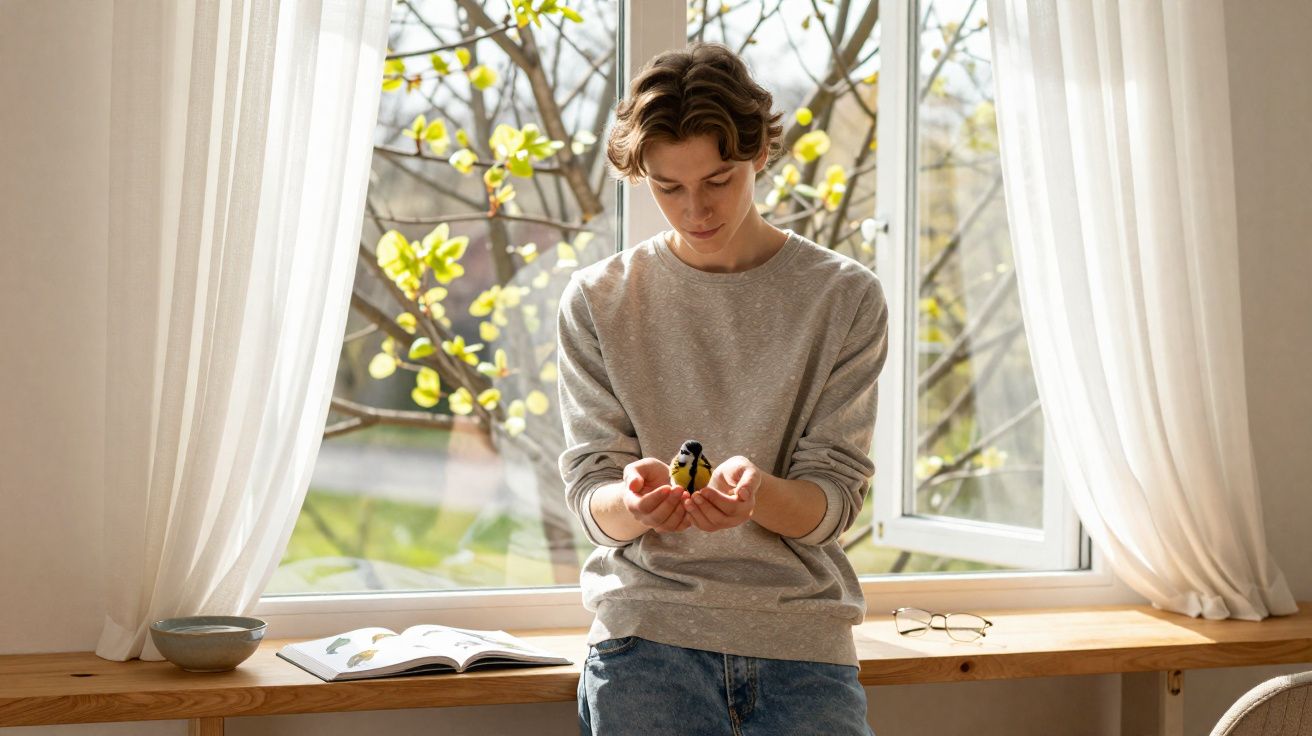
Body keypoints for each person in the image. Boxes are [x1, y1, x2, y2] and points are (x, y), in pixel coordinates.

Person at [556, 41, 888, 736]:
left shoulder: (844, 298)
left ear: (760, 155)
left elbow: (834, 502)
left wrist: (758, 494)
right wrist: (637, 501)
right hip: (645, 640)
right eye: (668, 187)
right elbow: (592, 500)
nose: (694, 210)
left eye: (720, 179)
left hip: (803, 643)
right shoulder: (598, 301)